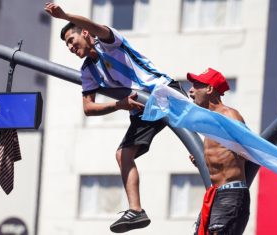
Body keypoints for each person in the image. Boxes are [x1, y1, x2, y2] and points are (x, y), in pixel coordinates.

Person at [44, 2, 187, 233]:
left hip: (162, 92)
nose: (70, 46)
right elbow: (88, 108)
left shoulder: (109, 43)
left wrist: (64, 16)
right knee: (123, 154)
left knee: (201, 136)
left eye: (72, 40)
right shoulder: (88, 69)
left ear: (85, 33)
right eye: (67, 44)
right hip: (142, 108)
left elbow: (96, 26)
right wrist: (119, 105)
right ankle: (136, 211)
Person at [187, 68, 250, 235]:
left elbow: (250, 149)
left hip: (231, 194)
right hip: (215, 195)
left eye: (196, 85)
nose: (190, 90)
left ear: (209, 89)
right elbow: (224, 156)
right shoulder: (209, 122)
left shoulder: (229, 115)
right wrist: (205, 160)